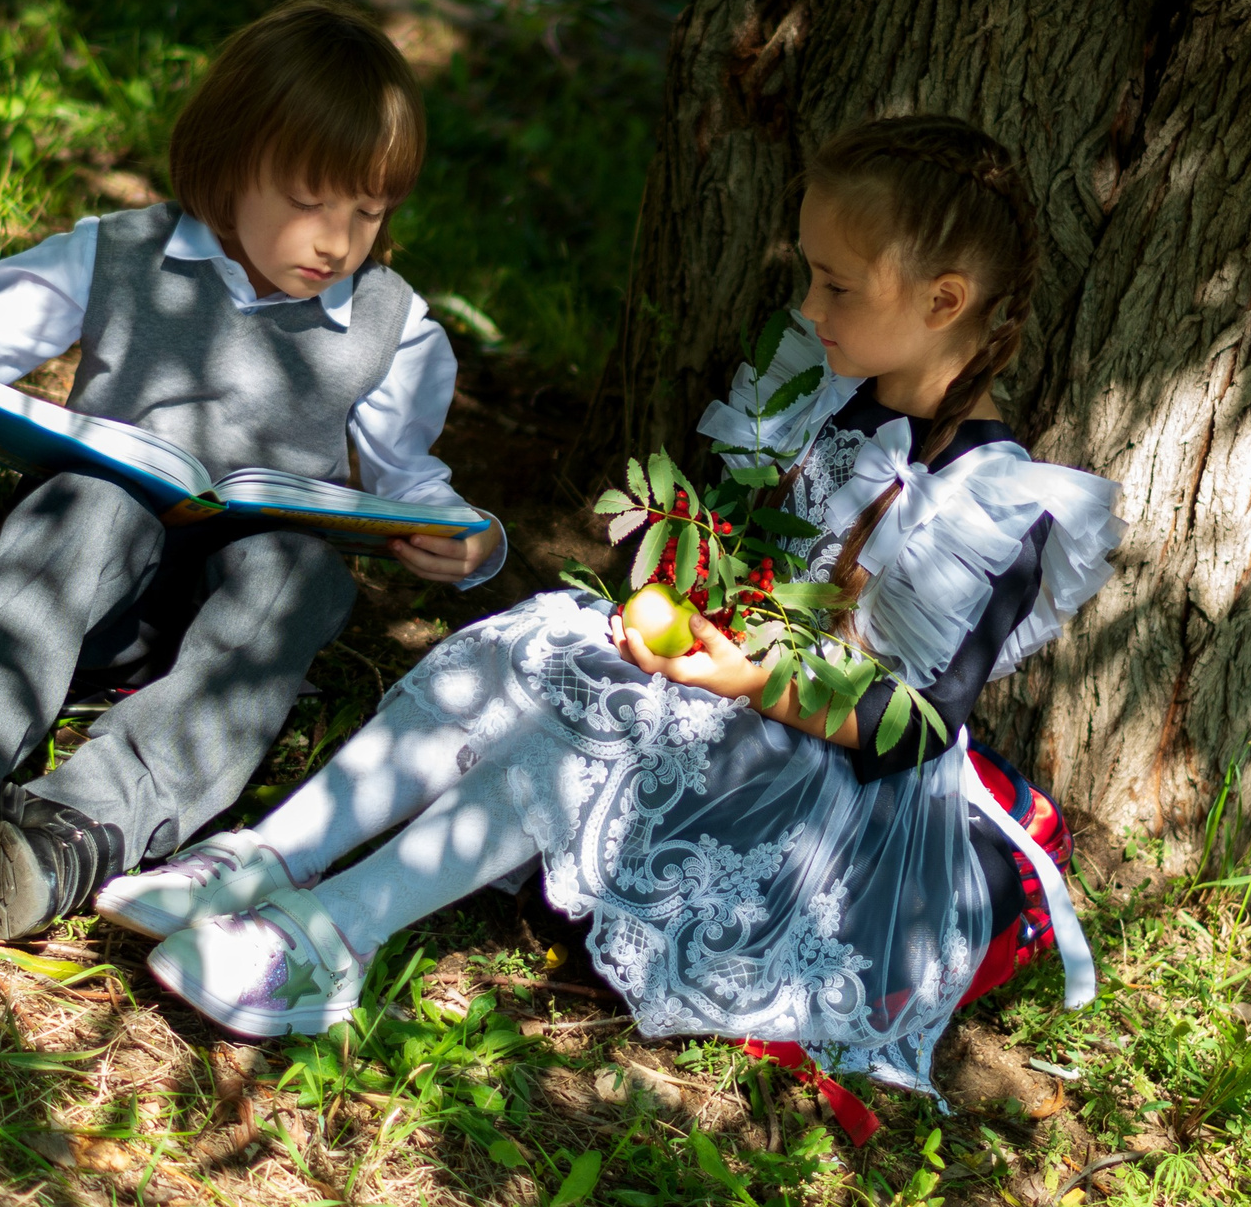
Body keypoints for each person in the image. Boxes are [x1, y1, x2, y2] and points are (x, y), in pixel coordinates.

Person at [102, 114, 1120, 1101]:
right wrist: (675, 597)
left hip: (828, 784)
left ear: (943, 301)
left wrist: (742, 673)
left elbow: (913, 726)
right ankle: (272, 854)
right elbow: (729, 542)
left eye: (835, 284)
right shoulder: (822, 383)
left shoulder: (995, 506)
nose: (808, 305)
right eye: (810, 273)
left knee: (610, 725)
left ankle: (328, 941)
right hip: (735, 688)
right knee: (530, 642)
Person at [0, 0, 506, 943]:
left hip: (236, 614)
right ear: (228, 167)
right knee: (90, 504)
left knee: (305, 571)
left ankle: (85, 823)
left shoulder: (392, 326)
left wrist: (462, 537)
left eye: (368, 211)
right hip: (94, 587)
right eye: (310, 201)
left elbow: (410, 474)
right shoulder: (119, 253)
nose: (337, 240)